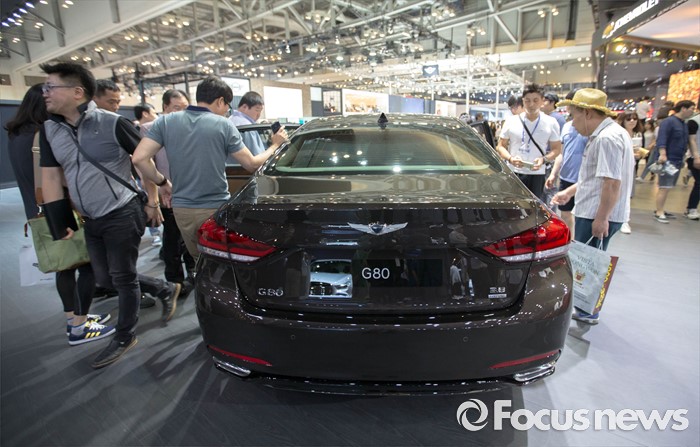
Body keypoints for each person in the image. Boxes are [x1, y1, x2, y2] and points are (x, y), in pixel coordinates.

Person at [39, 62, 180, 368]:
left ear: (77, 92)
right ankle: (163, 288)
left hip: (122, 210)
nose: (45, 93)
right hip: (90, 218)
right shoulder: (50, 129)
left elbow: (144, 159)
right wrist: (59, 220)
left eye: (51, 87)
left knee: (123, 277)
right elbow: (50, 176)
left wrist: (156, 195)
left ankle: (125, 336)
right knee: (104, 277)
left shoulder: (112, 123)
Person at [5, 83, 112, 344]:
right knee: (86, 266)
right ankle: (79, 326)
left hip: (38, 212)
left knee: (64, 267)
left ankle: (74, 318)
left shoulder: (17, 136)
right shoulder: (44, 135)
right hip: (61, 209)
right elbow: (59, 177)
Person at [132, 76, 278, 259]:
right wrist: (275, 145)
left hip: (181, 209)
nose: (226, 112)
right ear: (220, 101)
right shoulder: (223, 125)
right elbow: (252, 164)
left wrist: (163, 183)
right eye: (227, 106)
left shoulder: (166, 122)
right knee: (218, 261)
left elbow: (139, 159)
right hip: (213, 208)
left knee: (198, 260)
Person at [551, 88, 634, 325]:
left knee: (590, 263)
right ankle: (585, 308)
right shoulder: (610, 134)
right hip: (595, 209)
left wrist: (602, 217)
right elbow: (599, 178)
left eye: (573, 115)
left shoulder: (607, 138)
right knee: (589, 261)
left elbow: (612, 183)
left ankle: (587, 311)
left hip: (596, 212)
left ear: (587, 113)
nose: (572, 122)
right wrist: (570, 191)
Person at [140, 89, 196, 297]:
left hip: (191, 192)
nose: (181, 112)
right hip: (167, 192)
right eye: (176, 107)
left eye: (185, 108)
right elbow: (146, 166)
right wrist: (154, 197)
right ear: (165, 107)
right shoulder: (150, 128)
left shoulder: (191, 128)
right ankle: (174, 281)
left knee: (190, 236)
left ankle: (193, 274)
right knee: (172, 238)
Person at [496, 83, 562, 200]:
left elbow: (557, 149)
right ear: (523, 100)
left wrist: (544, 159)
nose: (531, 104)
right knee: (513, 204)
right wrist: (510, 158)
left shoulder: (551, 122)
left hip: (537, 174)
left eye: (535, 100)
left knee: (535, 206)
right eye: (527, 100)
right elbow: (500, 146)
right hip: (514, 172)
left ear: (542, 101)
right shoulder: (511, 121)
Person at [546, 89, 588, 238]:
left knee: (582, 215)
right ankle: (569, 240)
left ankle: (578, 242)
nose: (570, 107)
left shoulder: (591, 129)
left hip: (583, 179)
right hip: (566, 177)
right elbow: (561, 153)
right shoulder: (567, 126)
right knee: (565, 212)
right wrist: (553, 174)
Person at [653, 100, 696, 223]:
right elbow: (662, 139)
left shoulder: (683, 124)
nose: (693, 111)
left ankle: (661, 209)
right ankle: (659, 212)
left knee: (668, 186)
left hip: (677, 160)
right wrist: (663, 154)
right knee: (664, 186)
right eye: (691, 109)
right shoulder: (668, 122)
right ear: (683, 108)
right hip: (668, 159)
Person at [228, 91, 288, 156]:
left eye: (260, 111)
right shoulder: (248, 128)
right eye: (257, 110)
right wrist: (275, 144)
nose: (259, 115)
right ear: (244, 107)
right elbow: (259, 159)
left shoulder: (230, 120)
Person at [616, 110, 644, 234]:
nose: (632, 121)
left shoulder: (638, 134)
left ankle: (624, 220)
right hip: (618, 166)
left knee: (627, 192)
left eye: (634, 118)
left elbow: (639, 150)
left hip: (631, 166)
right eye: (628, 119)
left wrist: (639, 154)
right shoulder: (618, 133)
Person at [683, 111, 700, 220]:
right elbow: (691, 140)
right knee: (699, 183)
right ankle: (691, 208)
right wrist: (696, 156)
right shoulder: (694, 121)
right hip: (695, 156)